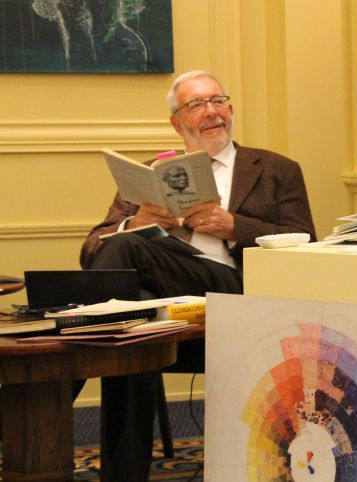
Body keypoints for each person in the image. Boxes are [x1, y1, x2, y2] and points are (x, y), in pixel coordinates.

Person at [79, 70, 316, 481]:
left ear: (231, 110)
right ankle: (123, 476)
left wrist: (234, 227)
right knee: (131, 324)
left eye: (218, 101)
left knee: (128, 255)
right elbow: (92, 250)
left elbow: (307, 244)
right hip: (169, 308)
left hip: (236, 295)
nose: (211, 113)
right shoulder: (151, 174)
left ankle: (67, 362)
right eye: (196, 105)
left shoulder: (277, 169)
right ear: (176, 122)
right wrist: (138, 221)